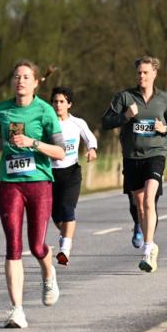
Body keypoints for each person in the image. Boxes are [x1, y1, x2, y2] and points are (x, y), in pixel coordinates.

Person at [0, 60, 65, 328]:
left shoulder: (45, 111)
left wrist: (34, 143)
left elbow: (61, 151)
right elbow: (3, 138)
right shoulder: (2, 110)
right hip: (10, 183)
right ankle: (16, 310)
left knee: (36, 246)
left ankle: (48, 271)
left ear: (36, 82)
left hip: (39, 183)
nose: (21, 81)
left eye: (26, 77)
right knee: (13, 246)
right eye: (17, 76)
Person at [102, 55, 167, 273]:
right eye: (139, 72)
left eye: (146, 72)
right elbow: (106, 122)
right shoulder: (125, 97)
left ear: (155, 73)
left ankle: (148, 249)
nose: (142, 76)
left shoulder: (165, 98)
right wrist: (125, 116)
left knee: (149, 201)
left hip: (156, 153)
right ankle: (148, 239)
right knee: (139, 203)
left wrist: (165, 129)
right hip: (132, 156)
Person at [48, 86, 98, 264]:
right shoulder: (46, 123)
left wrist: (92, 150)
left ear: (69, 104)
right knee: (55, 213)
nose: (58, 105)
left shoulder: (78, 123)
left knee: (67, 207)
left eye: (62, 101)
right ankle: (65, 236)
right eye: (55, 101)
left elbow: (91, 138)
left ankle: (65, 249)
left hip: (71, 172)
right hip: (50, 173)